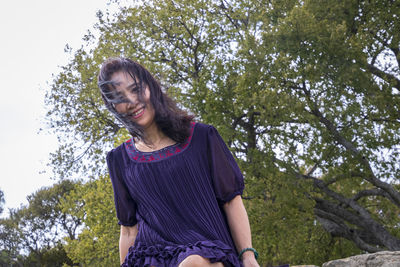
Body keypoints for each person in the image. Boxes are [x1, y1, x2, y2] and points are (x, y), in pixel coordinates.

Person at [98, 57, 260, 267]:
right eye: (120, 97)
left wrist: (247, 256)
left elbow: (231, 200)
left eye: (136, 89)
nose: (131, 101)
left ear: (151, 86)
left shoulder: (202, 137)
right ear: (112, 107)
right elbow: (129, 229)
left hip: (208, 254)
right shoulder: (119, 160)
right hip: (153, 256)